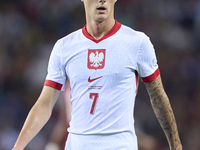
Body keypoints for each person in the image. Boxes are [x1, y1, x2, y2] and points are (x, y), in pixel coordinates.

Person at [12, 0, 182, 149]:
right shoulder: (64, 47)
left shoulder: (137, 43)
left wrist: (176, 146)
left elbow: (158, 97)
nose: (102, 0)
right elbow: (45, 104)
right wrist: (18, 147)